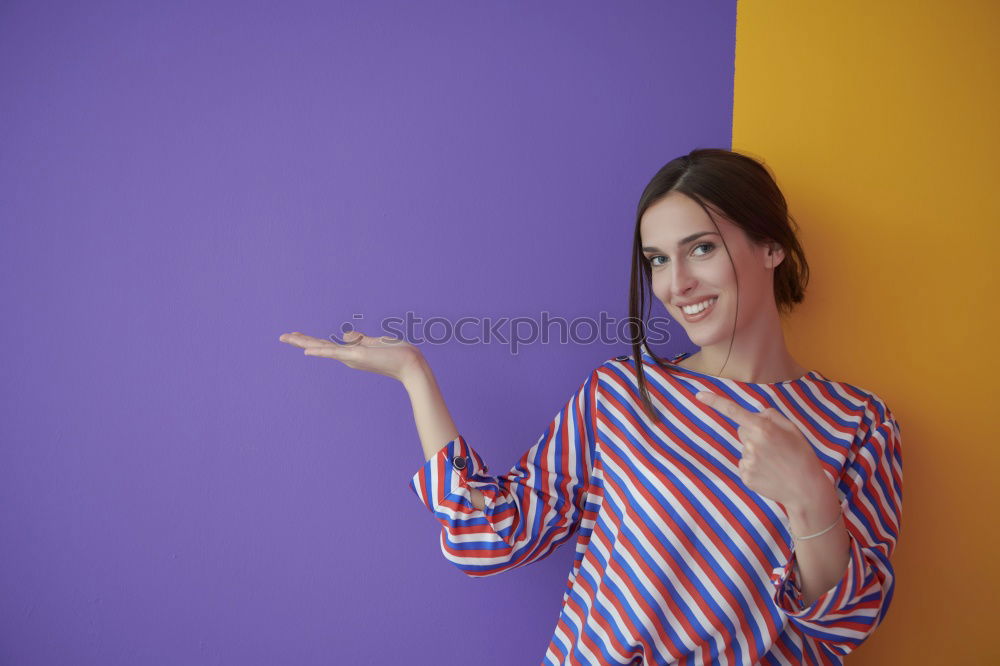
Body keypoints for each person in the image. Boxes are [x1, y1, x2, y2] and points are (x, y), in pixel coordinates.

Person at [278, 148, 904, 665]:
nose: (675, 283)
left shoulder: (857, 425)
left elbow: (842, 627)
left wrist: (810, 497)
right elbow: (491, 535)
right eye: (657, 260)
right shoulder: (622, 394)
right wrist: (415, 375)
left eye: (702, 248)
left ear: (771, 248)